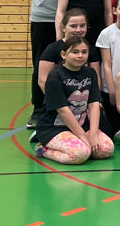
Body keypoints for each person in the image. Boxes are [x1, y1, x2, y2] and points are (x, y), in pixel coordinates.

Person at [32, 36, 114, 165]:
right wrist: (82, 137)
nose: (80, 56)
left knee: (105, 149)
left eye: (84, 52)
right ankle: (43, 149)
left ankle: (81, 142)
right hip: (54, 128)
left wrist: (93, 134)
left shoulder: (90, 73)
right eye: (75, 52)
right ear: (64, 54)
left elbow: (93, 104)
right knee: (80, 154)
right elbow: (63, 110)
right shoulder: (55, 76)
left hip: (81, 124)